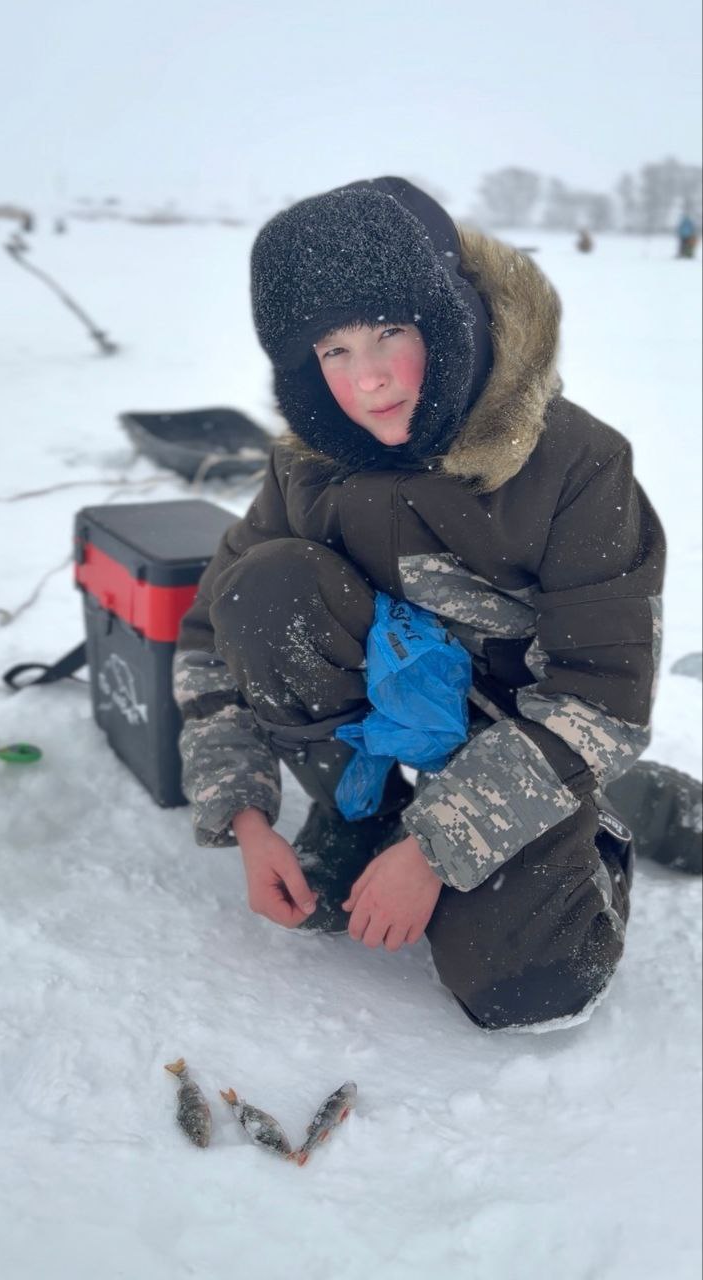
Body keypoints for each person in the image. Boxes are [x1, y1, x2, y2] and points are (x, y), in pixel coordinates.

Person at [173, 176, 671, 1032]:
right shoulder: (307, 466)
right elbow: (212, 639)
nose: (367, 382)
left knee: (526, 988)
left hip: (523, 748)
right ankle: (361, 813)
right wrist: (249, 818)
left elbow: (602, 699)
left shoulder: (577, 463)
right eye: (334, 352)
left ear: (448, 318)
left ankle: (613, 829)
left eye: (389, 333)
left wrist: (441, 845)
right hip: (385, 733)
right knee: (265, 586)